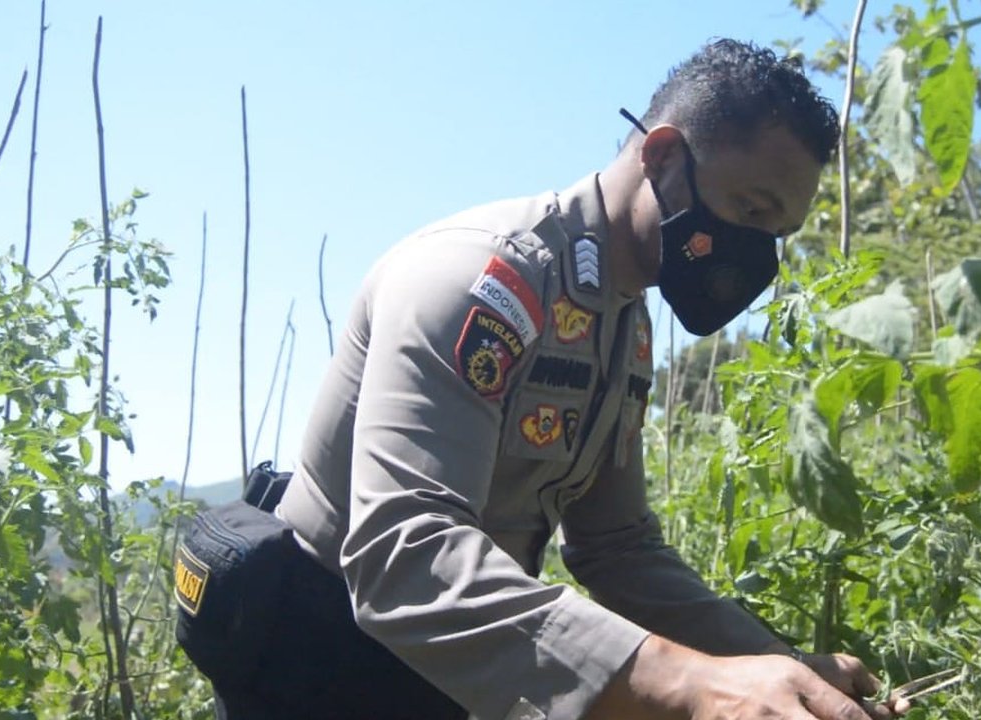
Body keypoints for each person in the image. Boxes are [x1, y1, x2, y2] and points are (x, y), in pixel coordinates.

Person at [196, 38, 910, 720]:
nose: (754, 256)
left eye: (775, 237)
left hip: (448, 669)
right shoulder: (477, 280)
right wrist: (693, 683)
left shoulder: (623, 326)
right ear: (663, 157)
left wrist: (779, 674)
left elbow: (617, 547)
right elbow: (402, 553)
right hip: (313, 656)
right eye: (750, 211)